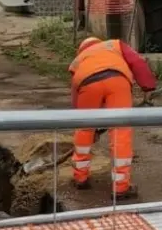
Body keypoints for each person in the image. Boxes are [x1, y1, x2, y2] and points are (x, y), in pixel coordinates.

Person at [67, 36, 157, 198]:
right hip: (117, 81)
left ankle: (80, 178)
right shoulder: (114, 45)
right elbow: (138, 62)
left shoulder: (78, 61)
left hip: (87, 84)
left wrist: (83, 121)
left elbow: (75, 93)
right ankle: (121, 187)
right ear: (99, 43)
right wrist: (148, 86)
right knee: (120, 131)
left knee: (84, 130)